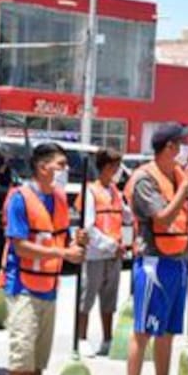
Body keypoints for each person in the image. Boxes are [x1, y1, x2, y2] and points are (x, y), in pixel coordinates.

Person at [0, 143, 86, 375]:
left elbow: (63, 237)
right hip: (23, 286)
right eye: (60, 164)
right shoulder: (20, 199)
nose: (65, 170)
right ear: (42, 167)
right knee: (22, 353)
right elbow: (20, 245)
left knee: (38, 357)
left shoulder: (59, 198)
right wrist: (63, 253)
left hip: (49, 286)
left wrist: (77, 241)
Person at [120, 123, 188, 375]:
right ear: (169, 147)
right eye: (182, 143)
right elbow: (162, 218)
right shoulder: (145, 179)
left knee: (167, 331)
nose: (186, 148)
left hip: (177, 261)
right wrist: (186, 187)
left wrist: (185, 183)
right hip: (153, 263)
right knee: (143, 331)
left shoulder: (177, 175)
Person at [79, 147, 130, 356]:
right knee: (87, 297)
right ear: (107, 167)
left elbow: (126, 217)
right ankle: (82, 338)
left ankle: (107, 340)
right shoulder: (90, 192)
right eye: (117, 166)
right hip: (95, 253)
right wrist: (111, 245)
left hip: (114, 254)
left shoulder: (116, 191)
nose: (119, 171)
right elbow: (88, 227)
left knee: (109, 300)